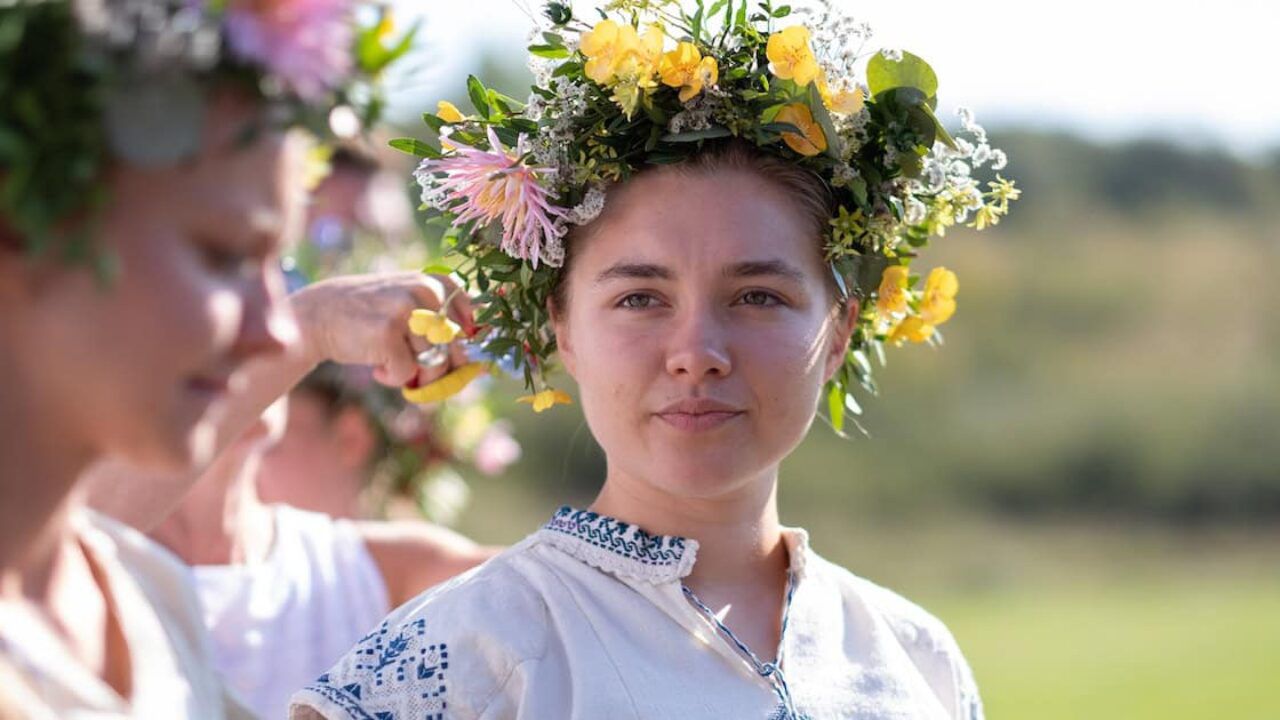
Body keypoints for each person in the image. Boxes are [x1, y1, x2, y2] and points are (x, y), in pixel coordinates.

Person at [292, 2, 1018, 718]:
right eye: (641, 298)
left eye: (758, 296)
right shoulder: (462, 661)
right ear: (563, 329)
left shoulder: (915, 658)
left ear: (837, 333)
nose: (697, 354)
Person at [0, 2, 463, 716]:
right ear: (21, 227)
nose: (277, 334)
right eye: (221, 256)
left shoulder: (146, 596)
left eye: (281, 267)